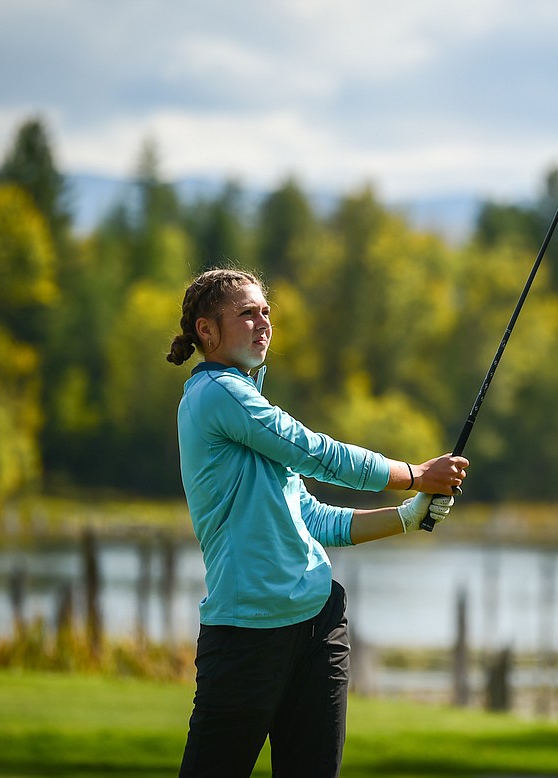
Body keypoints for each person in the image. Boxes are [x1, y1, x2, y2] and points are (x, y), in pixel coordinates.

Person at [166, 267, 468, 777]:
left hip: (318, 625)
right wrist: (416, 475)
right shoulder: (216, 395)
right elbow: (318, 454)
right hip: (246, 635)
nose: (263, 322)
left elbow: (312, 518)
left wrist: (408, 517)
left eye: (266, 312)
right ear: (207, 331)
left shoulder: (249, 403)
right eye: (247, 313)